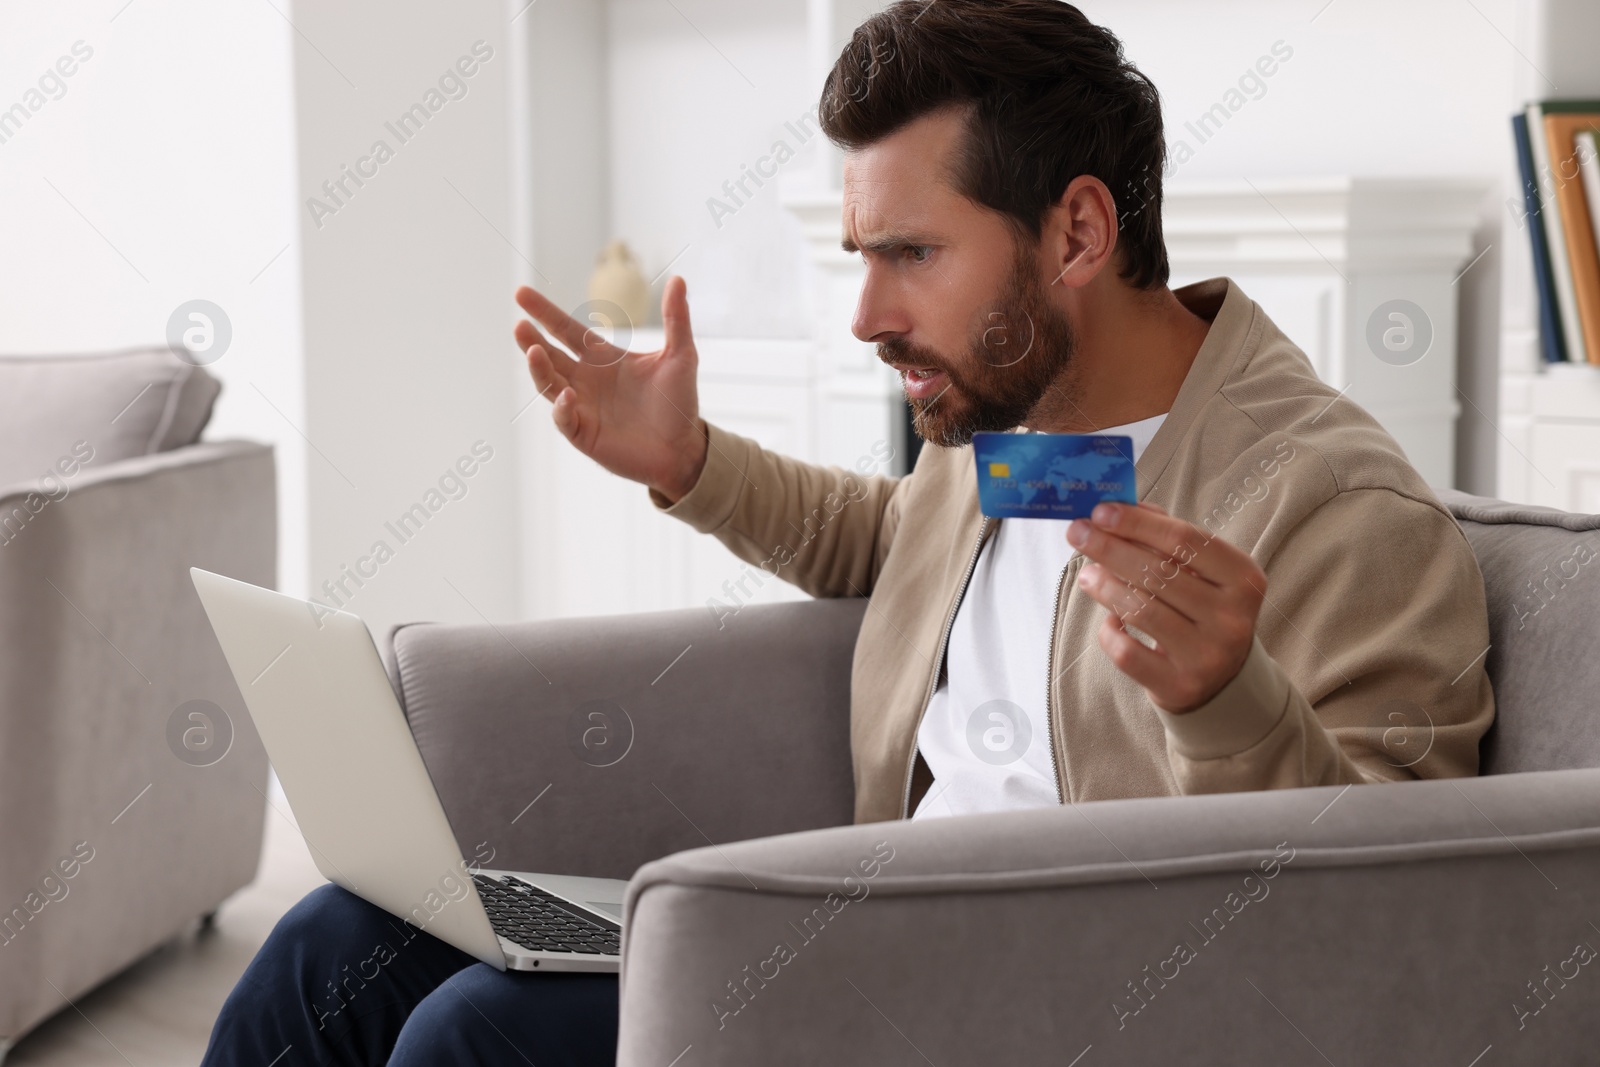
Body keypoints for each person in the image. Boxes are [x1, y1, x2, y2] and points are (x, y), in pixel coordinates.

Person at [201, 1, 1494, 1062]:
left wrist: (1230, 703)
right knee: (330, 943)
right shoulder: (1038, 429)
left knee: (478, 1036)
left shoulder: (1329, 505)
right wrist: (693, 463)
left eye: (914, 255)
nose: (866, 313)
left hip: (1043, 999)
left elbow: (1396, 923)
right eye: (861, 254)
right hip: (878, 922)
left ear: (1080, 231)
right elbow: (895, 545)